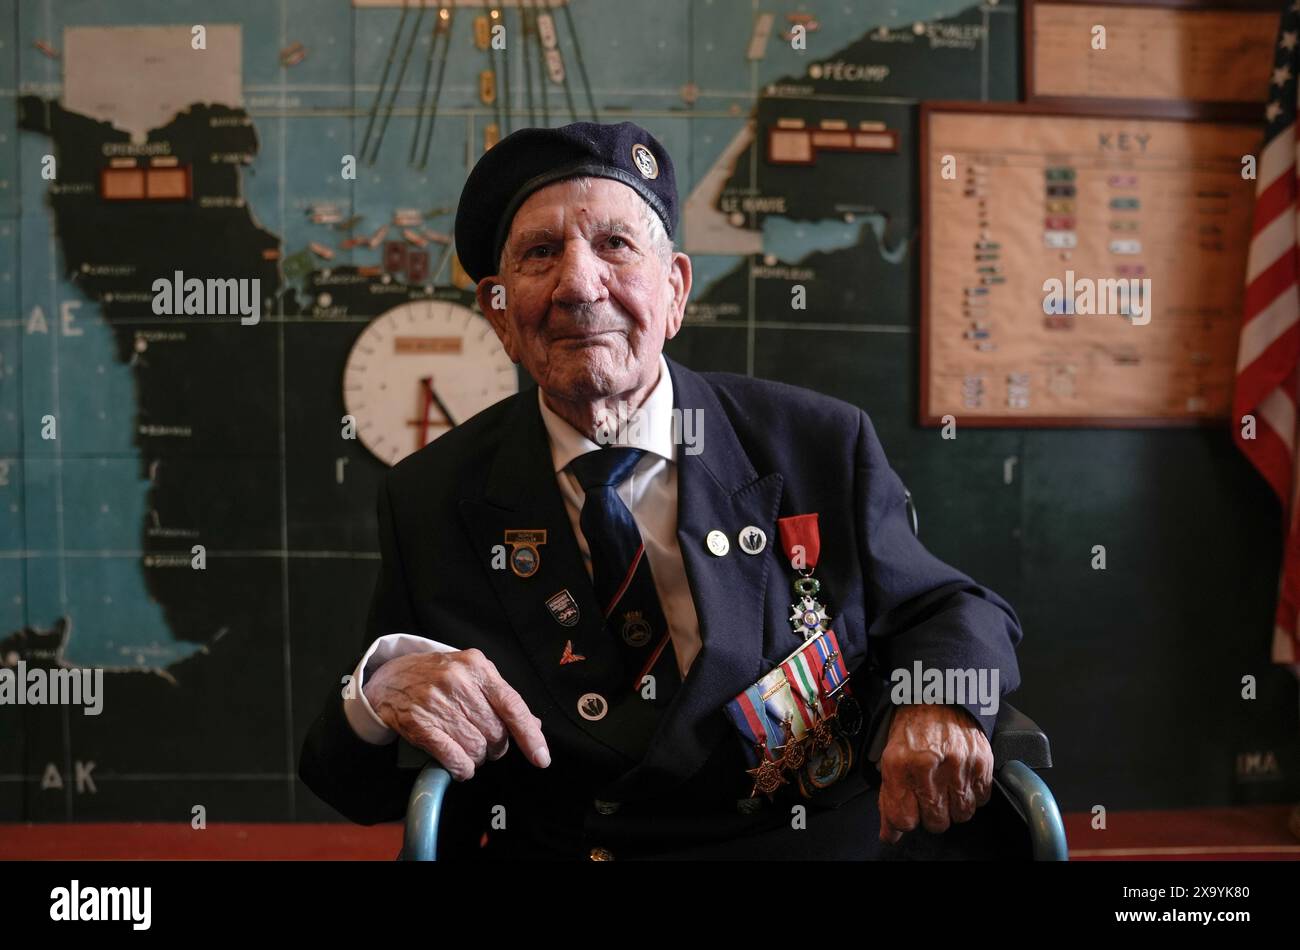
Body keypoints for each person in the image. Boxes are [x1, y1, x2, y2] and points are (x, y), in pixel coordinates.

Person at [299, 121, 1024, 860]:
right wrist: (379, 688)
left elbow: (952, 608)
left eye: (615, 245)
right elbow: (355, 789)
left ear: (674, 289)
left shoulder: (817, 445)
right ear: (499, 315)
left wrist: (939, 699)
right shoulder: (432, 496)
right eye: (541, 253)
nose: (579, 286)